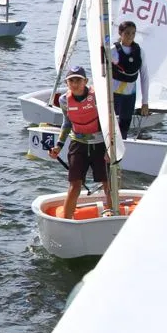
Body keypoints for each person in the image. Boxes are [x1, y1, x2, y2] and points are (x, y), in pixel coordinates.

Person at [49, 65, 109, 218]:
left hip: (100, 144)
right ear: (66, 83)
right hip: (78, 144)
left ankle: (113, 212)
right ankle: (67, 219)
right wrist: (59, 146)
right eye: (71, 81)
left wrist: (110, 149)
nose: (75, 84)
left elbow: (108, 121)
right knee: (75, 183)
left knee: (107, 181)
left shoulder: (97, 96)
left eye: (78, 80)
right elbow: (67, 123)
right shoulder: (64, 100)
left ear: (85, 81)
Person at [110, 20, 150, 138]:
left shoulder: (139, 52)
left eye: (133, 33)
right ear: (120, 33)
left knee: (124, 127)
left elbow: (144, 76)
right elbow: (103, 74)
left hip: (129, 96)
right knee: (112, 127)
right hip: (114, 95)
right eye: (127, 33)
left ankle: (122, 150)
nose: (130, 36)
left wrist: (145, 102)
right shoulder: (112, 51)